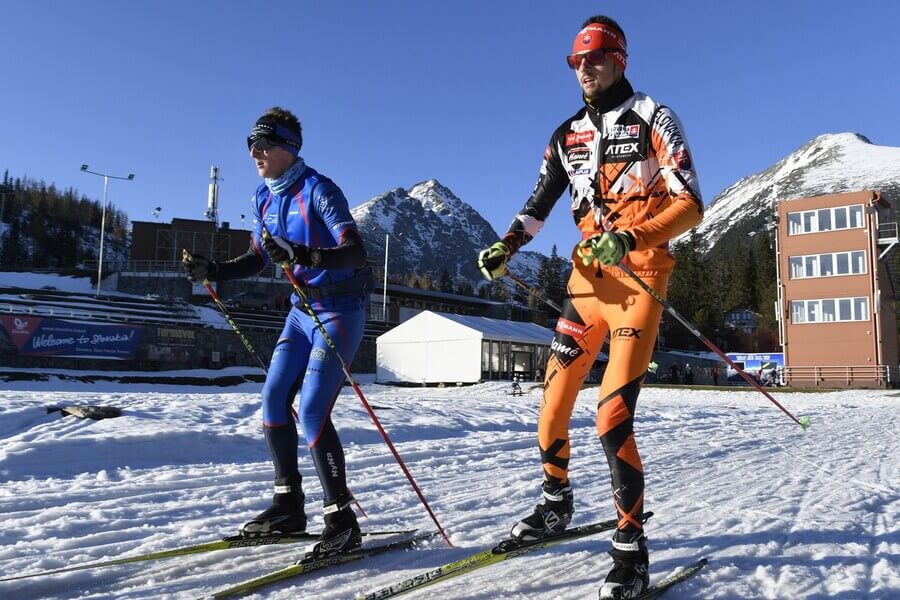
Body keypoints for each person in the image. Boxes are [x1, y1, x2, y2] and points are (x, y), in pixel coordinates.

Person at [476, 15, 702, 599]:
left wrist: (632, 238)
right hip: (585, 287)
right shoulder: (565, 134)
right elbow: (538, 203)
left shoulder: (656, 118)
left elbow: (692, 204)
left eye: (595, 57)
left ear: (620, 58)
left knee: (610, 419)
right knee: (550, 409)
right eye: (577, 61)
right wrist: (507, 244)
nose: (585, 68)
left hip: (639, 286)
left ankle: (632, 552)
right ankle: (556, 503)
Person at [182, 107, 372, 556]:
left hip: (339, 309)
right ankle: (288, 505)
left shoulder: (319, 190)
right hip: (300, 311)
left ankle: (342, 519)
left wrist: (305, 254)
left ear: (289, 147)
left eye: (264, 144)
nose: (255, 152)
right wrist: (216, 270)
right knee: (272, 400)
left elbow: (356, 253)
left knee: (311, 411)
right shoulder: (263, 198)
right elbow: (259, 256)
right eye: (251, 145)